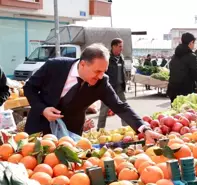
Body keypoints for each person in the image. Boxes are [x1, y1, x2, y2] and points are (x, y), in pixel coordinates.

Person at [23, 43, 161, 143]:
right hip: (38, 126)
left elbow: (121, 106)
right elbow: (29, 88)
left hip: (70, 135)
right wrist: (43, 109)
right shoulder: (54, 66)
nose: (101, 76)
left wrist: (145, 129)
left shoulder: (102, 82)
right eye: (97, 71)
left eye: (104, 71)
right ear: (83, 64)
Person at [97, 38, 128, 130]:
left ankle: (126, 128)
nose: (122, 48)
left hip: (120, 88)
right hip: (108, 88)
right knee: (104, 110)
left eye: (122, 46)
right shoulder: (107, 58)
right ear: (113, 46)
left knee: (124, 108)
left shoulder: (121, 58)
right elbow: (101, 73)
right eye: (120, 46)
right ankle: (100, 129)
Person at [167, 32, 197, 103]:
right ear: (191, 42)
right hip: (185, 90)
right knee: (185, 112)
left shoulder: (174, 56)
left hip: (172, 89)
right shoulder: (191, 56)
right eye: (194, 43)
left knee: (175, 111)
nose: (194, 45)